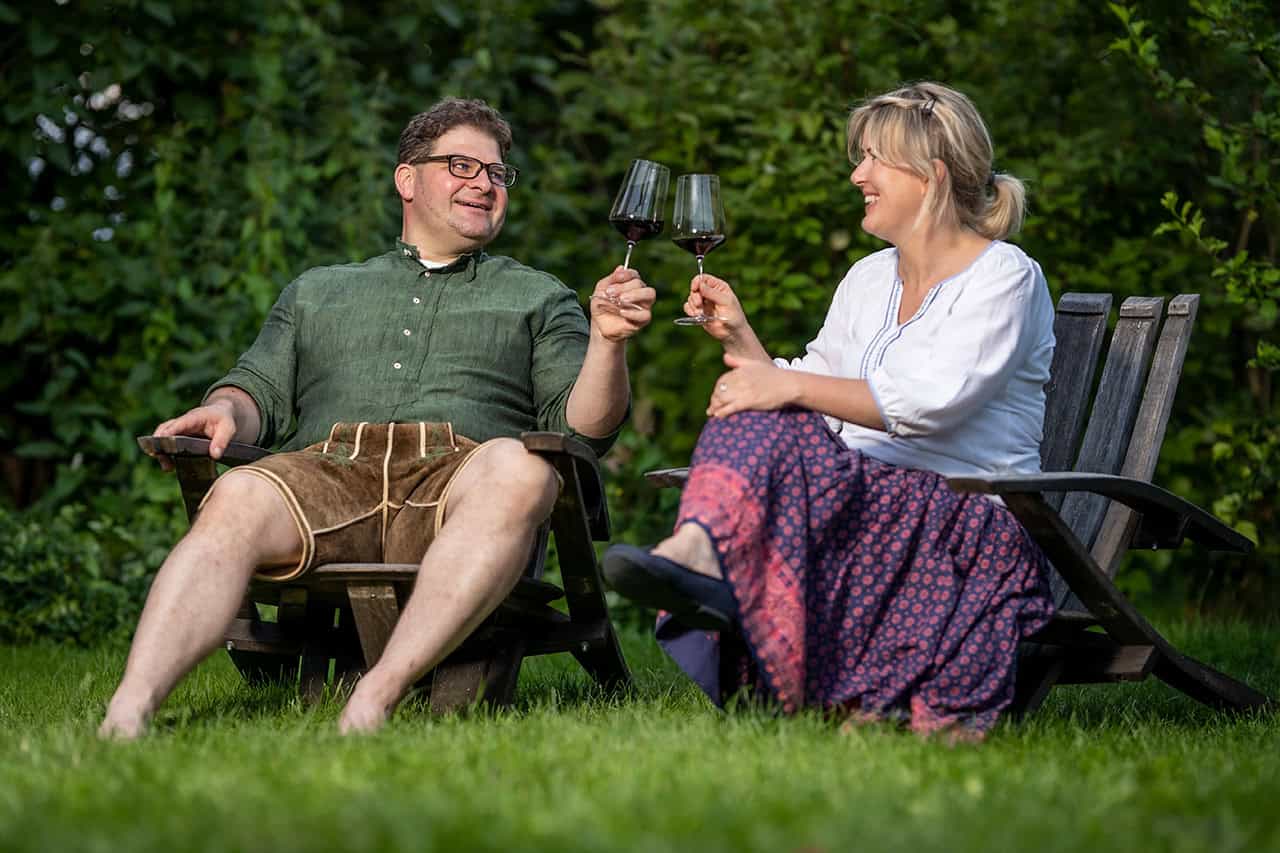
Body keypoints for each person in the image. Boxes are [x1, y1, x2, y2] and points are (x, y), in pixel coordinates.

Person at [100, 97, 655, 738]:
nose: (485, 183)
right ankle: (129, 710)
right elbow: (257, 390)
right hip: (328, 475)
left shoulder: (537, 295)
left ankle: (375, 696)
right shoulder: (319, 290)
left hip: (458, 484)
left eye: (497, 173)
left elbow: (583, 429)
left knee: (522, 468)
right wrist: (221, 411)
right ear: (407, 178)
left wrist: (607, 342)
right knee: (237, 493)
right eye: (462, 165)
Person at [603, 82, 1056, 739]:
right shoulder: (869, 279)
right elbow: (813, 385)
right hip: (867, 507)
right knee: (755, 411)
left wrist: (777, 389)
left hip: (964, 522)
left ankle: (706, 555)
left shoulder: (1004, 277)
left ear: (929, 177)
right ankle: (701, 552)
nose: (857, 174)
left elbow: (930, 403)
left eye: (874, 158)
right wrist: (741, 339)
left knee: (767, 407)